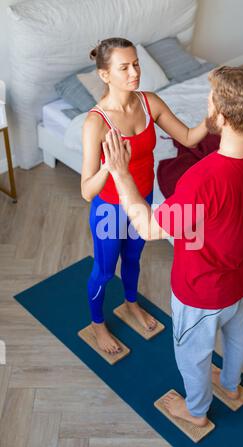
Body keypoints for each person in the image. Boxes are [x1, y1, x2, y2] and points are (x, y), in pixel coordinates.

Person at [101, 66, 243, 427]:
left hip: (201, 291)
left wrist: (121, 175)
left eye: (211, 100)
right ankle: (230, 387)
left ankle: (196, 412)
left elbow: (149, 227)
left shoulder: (203, 179)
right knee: (236, 337)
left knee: (193, 355)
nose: (207, 104)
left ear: (222, 116)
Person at [81, 37, 208, 355]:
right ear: (105, 75)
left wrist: (214, 117)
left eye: (136, 64)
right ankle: (98, 324)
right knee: (105, 270)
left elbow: (190, 137)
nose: (134, 72)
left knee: (134, 258)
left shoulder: (150, 102)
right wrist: (110, 167)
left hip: (143, 200)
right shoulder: (96, 122)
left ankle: (131, 303)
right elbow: (86, 190)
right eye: (123, 67)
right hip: (110, 208)